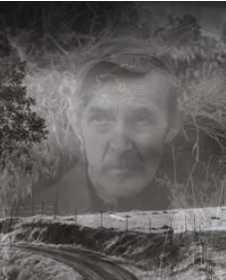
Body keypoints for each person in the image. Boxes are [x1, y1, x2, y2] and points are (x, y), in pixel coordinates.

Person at [27, 37, 185, 214]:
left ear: (173, 123)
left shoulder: (193, 207)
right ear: (77, 123)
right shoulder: (30, 217)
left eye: (141, 119)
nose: (120, 146)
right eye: (100, 119)